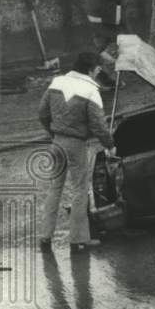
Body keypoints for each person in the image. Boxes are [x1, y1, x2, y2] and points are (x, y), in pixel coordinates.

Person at [37, 51, 115, 252]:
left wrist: (52, 133)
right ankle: (78, 240)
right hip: (75, 144)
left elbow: (42, 113)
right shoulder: (91, 91)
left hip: (56, 143)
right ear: (94, 69)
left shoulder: (56, 82)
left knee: (55, 189)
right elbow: (99, 126)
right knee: (80, 189)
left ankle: (45, 237)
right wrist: (109, 144)